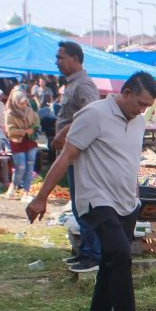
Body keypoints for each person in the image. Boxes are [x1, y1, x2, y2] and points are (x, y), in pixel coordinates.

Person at [26, 73, 156, 311]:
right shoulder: (94, 115)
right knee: (120, 254)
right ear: (125, 92)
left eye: (147, 105)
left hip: (126, 202)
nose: (142, 110)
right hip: (96, 199)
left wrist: (135, 195)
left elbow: (130, 161)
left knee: (112, 265)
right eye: (139, 102)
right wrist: (41, 197)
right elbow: (66, 156)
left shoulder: (137, 122)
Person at [52, 40, 102, 273]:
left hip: (80, 154)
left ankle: (93, 255)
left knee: (84, 205)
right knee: (77, 205)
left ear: (74, 58)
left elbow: (91, 114)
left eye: (61, 57)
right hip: (73, 154)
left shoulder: (83, 84)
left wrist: (64, 131)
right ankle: (85, 252)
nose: (57, 62)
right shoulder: (72, 84)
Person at [4, 89, 40, 198]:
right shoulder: (9, 114)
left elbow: (36, 123)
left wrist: (34, 129)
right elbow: (10, 131)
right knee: (21, 167)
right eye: (21, 102)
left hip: (31, 142)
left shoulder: (30, 111)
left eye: (24, 102)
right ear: (15, 102)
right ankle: (13, 187)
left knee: (30, 167)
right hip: (17, 142)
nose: (23, 105)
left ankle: (26, 192)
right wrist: (24, 131)